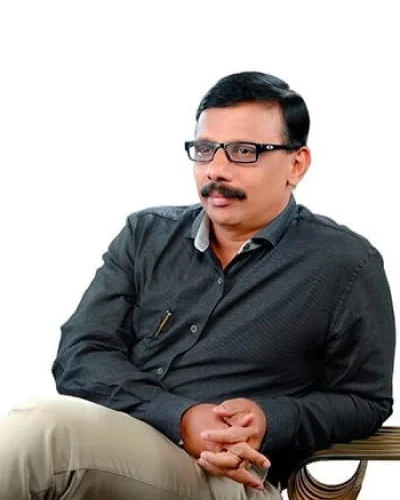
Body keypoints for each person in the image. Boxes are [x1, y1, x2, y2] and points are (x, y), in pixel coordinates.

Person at [0, 71, 395, 500]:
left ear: (296, 164)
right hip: (118, 445)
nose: (216, 170)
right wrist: (181, 416)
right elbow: (80, 355)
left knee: (43, 435)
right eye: (205, 150)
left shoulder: (345, 263)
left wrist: (270, 418)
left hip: (232, 477)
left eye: (244, 152)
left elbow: (364, 401)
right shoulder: (146, 236)